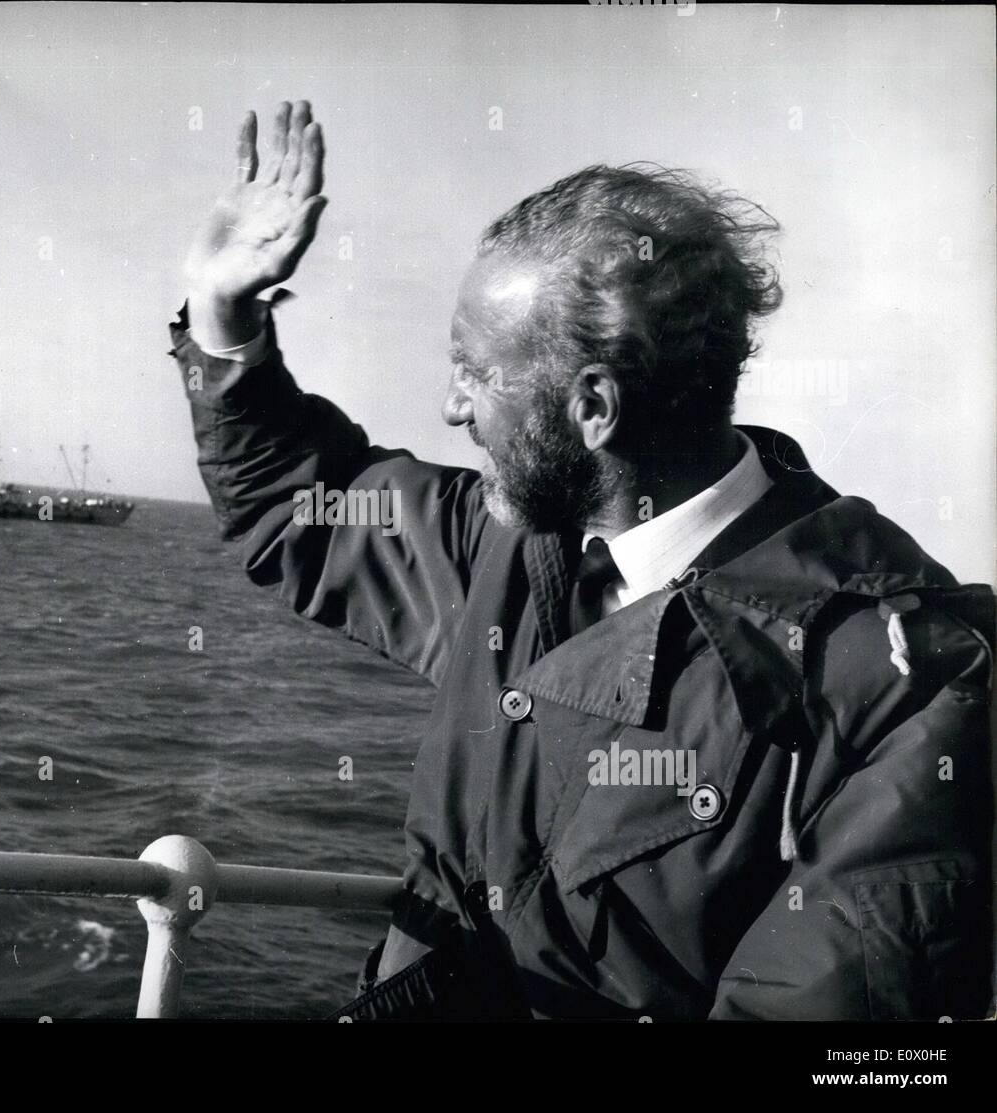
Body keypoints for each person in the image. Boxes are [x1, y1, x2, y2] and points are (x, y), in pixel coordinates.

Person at [169, 101, 994, 1020]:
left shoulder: (910, 687)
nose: (450, 407)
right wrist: (222, 313)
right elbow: (303, 503)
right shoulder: (512, 550)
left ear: (592, 406)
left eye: (472, 371)